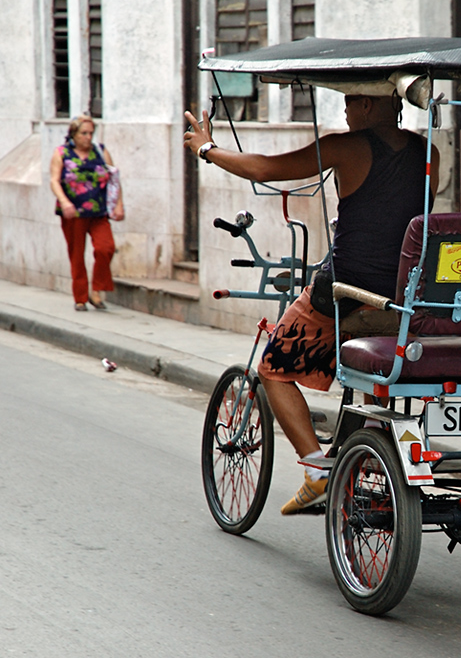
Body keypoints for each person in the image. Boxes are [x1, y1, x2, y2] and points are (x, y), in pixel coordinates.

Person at [183, 93, 440, 513]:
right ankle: (372, 435)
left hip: (344, 292)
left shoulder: (347, 145)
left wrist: (208, 149)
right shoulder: (426, 151)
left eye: (351, 99)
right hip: (403, 298)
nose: (344, 107)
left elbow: (267, 168)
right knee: (377, 361)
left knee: (273, 367)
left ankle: (318, 468)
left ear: (371, 106)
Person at [50, 115, 125, 311]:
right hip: (73, 212)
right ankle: (80, 297)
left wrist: (119, 205)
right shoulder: (62, 153)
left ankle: (97, 290)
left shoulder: (100, 151)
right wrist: (65, 202)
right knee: (76, 254)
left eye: (90, 133)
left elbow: (114, 179)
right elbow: (54, 180)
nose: (88, 137)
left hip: (99, 211)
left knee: (105, 248)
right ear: (73, 134)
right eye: (84, 133)